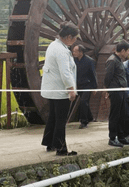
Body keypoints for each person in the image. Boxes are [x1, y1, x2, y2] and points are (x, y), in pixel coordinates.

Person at [40, 22, 79, 156]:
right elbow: (65, 72)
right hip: (61, 90)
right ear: (68, 37)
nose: (75, 41)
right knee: (61, 120)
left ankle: (49, 143)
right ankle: (61, 148)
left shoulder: (53, 45)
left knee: (53, 117)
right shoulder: (62, 50)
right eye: (74, 38)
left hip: (52, 89)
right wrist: (71, 90)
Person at [104, 40, 129, 147]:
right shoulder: (112, 60)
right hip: (115, 91)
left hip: (121, 91)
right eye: (128, 51)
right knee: (115, 115)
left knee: (122, 114)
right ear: (123, 50)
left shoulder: (119, 60)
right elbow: (108, 77)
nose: (128, 53)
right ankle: (112, 138)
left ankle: (121, 136)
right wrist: (107, 89)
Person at [72, 44, 97, 129]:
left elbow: (93, 75)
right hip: (77, 85)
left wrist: (94, 88)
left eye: (75, 51)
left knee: (83, 102)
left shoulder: (90, 61)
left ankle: (84, 122)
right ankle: (90, 117)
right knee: (84, 103)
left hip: (87, 85)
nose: (73, 52)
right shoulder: (73, 60)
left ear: (81, 52)